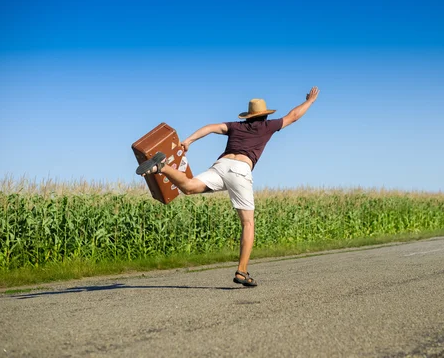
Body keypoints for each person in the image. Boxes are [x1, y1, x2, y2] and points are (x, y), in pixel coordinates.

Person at [135, 86, 320, 286]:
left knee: (188, 187)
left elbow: (211, 127)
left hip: (221, 166)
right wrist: (310, 101)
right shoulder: (267, 126)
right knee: (248, 223)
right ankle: (242, 271)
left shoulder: (236, 126)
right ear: (264, 116)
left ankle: (162, 167)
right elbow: (293, 116)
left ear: (248, 116)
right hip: (241, 169)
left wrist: (189, 140)